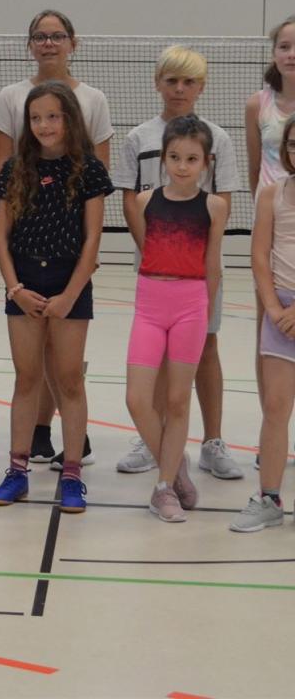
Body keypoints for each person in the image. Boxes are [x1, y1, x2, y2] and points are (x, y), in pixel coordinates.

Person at [0, 9, 112, 466]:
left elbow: (93, 235)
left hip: (69, 282)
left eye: (53, 117)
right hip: (24, 279)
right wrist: (14, 288)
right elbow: (1, 235)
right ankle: (18, 466)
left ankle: (73, 465)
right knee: (26, 376)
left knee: (68, 377)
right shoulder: (16, 169)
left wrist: (71, 292)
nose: (44, 125)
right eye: (36, 118)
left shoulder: (88, 169)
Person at [114, 46, 243, 480]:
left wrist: (193, 253)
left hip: (199, 270)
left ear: (201, 87)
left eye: (189, 82)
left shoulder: (218, 138)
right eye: (172, 80)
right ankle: (154, 440)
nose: (180, 89)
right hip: (155, 269)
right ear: (158, 83)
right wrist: (155, 245)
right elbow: (129, 199)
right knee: (154, 357)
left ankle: (212, 441)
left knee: (206, 347)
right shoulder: (138, 138)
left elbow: (221, 201)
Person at [124, 117, 225, 522]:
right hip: (150, 305)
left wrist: (204, 311)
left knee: (178, 400)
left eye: (192, 159)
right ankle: (175, 460)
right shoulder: (145, 201)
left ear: (206, 162)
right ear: (163, 158)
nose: (182, 166)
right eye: (175, 157)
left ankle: (163, 487)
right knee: (137, 398)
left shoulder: (214, 207)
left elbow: (212, 264)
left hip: (191, 306)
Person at [231, 113, 295, 531]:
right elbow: (259, 256)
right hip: (281, 315)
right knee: (275, 407)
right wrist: (273, 308)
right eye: (293, 144)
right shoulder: (272, 194)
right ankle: (268, 497)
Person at [245, 16, 295, 422]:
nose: (291, 54)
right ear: (274, 53)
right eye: (284, 46)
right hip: (272, 224)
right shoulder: (257, 105)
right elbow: (254, 167)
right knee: (269, 328)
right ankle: (271, 426)